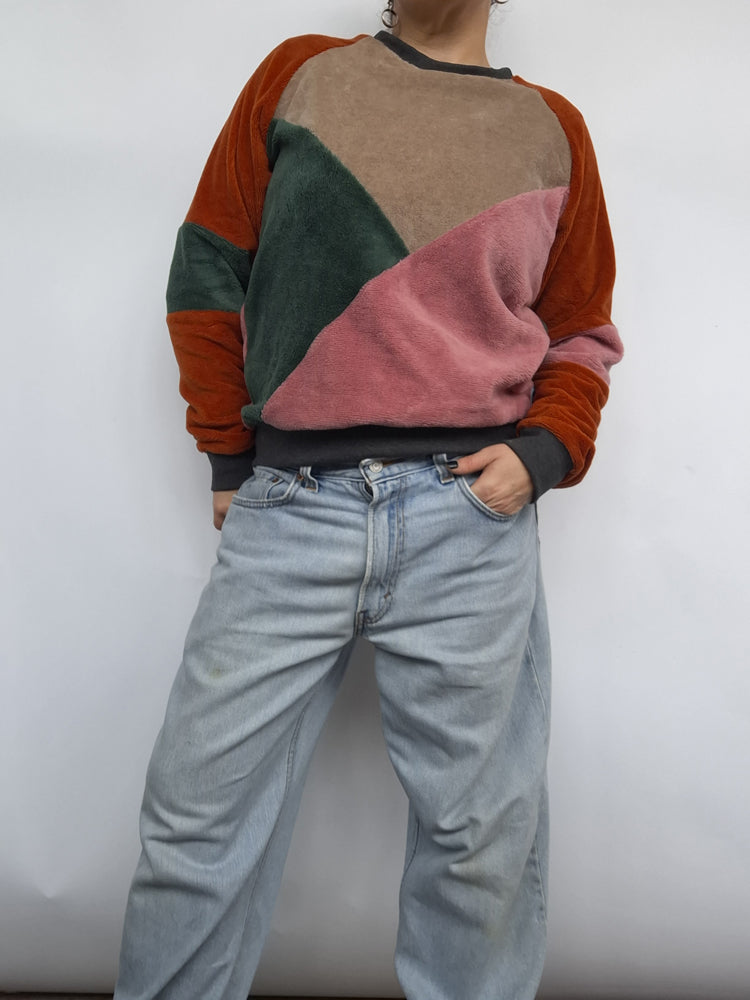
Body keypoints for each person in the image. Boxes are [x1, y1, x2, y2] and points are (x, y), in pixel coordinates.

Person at [114, 1, 623, 997]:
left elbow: (581, 334)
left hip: (467, 520)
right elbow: (209, 265)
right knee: (193, 824)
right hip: (289, 506)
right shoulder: (299, 76)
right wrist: (228, 454)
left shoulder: (553, 128)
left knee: (479, 844)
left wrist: (545, 452)